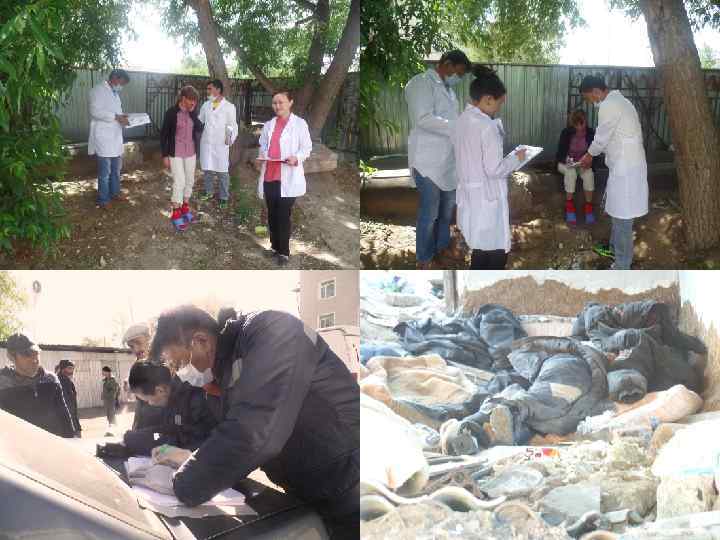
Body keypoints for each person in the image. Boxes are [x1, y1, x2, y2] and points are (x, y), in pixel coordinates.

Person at [146, 305, 359, 540]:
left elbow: (253, 433)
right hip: (307, 489)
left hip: (351, 484)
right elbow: (221, 435)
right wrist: (187, 457)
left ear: (201, 341)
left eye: (180, 363)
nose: (180, 374)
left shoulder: (273, 331)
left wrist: (184, 483)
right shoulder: (221, 377)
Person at [452, 65, 527, 270]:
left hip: (470, 195)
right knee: (496, 251)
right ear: (487, 99)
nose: (499, 108)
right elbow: (494, 170)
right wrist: (517, 158)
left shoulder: (462, 120)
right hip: (487, 197)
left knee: (479, 247)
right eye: (499, 103)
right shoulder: (487, 126)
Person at [405, 50, 472, 269]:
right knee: (430, 214)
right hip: (427, 162)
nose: (458, 78)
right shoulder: (421, 83)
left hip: (447, 164)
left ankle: (442, 249)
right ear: (447, 64)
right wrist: (458, 127)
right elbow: (423, 118)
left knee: (445, 213)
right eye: (458, 73)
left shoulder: (450, 92)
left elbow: (454, 125)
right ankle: (424, 258)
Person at [578, 75, 648, 270]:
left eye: (588, 98)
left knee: (623, 218)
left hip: (627, 170)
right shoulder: (620, 101)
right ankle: (613, 249)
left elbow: (601, 138)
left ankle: (622, 265)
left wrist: (588, 156)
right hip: (624, 166)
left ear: (596, 91)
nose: (590, 102)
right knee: (617, 212)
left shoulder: (609, 105)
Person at [255, 89, 313, 266]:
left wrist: (296, 158)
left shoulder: (300, 124)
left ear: (290, 102)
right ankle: (274, 247)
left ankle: (284, 252)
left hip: (288, 177)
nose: (277, 105)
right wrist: (263, 154)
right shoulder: (269, 125)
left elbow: (306, 148)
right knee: (272, 213)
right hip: (270, 175)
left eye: (281, 102)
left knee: (283, 214)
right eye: (274, 103)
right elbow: (263, 144)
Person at [122, 362, 218, 456]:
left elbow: (197, 442)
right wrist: (132, 437)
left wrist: (165, 449)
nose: (150, 404)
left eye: (148, 400)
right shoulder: (171, 400)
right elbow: (163, 432)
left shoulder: (193, 399)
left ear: (160, 391)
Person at [0, 334, 75, 437]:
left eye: (36, 353)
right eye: (27, 354)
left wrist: (71, 437)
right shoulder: (3, 383)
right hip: (18, 445)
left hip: (52, 443)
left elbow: (63, 414)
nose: (34, 359)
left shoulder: (51, 379)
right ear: (11, 356)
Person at [160, 85, 204, 232]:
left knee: (190, 180)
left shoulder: (193, 112)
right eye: (191, 100)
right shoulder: (171, 113)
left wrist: (192, 114)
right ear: (183, 98)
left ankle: (185, 207)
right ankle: (176, 212)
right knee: (179, 181)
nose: (193, 103)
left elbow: (199, 128)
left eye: (195, 101)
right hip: (175, 152)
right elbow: (164, 135)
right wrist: (164, 155)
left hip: (191, 152)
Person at [88, 69, 131, 209]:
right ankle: (103, 199)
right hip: (104, 137)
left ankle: (115, 192)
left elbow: (116, 112)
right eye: (121, 83)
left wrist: (123, 117)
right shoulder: (97, 90)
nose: (122, 86)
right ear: (115, 78)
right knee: (105, 172)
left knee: (116, 169)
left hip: (115, 136)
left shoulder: (115, 94)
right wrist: (116, 117)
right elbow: (95, 111)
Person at [198, 79, 238, 209]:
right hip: (207, 143)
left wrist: (229, 138)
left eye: (210, 89)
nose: (207, 91)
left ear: (218, 89)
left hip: (221, 144)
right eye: (207, 89)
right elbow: (199, 120)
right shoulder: (206, 105)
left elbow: (232, 125)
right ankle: (208, 191)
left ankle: (224, 197)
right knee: (207, 169)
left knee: (222, 172)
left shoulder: (229, 107)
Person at [556, 110, 598, 225]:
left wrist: (588, 162)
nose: (579, 127)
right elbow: (560, 154)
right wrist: (567, 160)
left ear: (585, 121)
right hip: (566, 164)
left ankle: (588, 208)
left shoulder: (591, 133)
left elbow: (595, 154)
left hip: (582, 164)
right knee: (571, 173)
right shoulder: (566, 133)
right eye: (576, 124)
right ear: (573, 123)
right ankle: (569, 206)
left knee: (589, 174)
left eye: (582, 124)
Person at [123, 322, 167, 430]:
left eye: (138, 343)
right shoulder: (137, 366)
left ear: (150, 339)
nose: (136, 350)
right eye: (131, 346)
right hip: (142, 423)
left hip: (160, 427)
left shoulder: (167, 363)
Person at [56, 359, 81, 437]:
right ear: (63, 369)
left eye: (73, 368)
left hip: (73, 422)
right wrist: (73, 428)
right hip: (67, 425)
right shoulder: (59, 382)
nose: (72, 371)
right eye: (69, 368)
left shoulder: (68, 381)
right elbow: (66, 406)